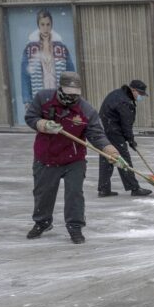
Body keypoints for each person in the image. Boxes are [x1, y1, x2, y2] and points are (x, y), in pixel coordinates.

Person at [24, 71, 118, 244]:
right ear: (60, 88)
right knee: (43, 192)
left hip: (74, 158)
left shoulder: (86, 110)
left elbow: (96, 134)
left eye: (75, 95)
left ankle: (75, 226)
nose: (71, 98)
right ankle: (42, 222)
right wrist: (42, 124)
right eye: (68, 94)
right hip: (46, 156)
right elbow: (30, 117)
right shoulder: (43, 98)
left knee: (74, 194)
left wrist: (108, 148)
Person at [97, 79, 152, 198]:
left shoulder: (118, 93)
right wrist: (131, 140)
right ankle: (134, 188)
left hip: (105, 130)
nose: (141, 97)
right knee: (123, 158)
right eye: (140, 94)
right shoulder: (125, 102)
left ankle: (103, 189)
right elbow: (126, 125)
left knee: (107, 157)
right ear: (133, 90)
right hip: (113, 131)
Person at [21, 9, 75, 104]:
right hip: (40, 95)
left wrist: (71, 94)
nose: (45, 28)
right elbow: (25, 75)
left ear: (51, 25)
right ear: (38, 25)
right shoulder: (30, 48)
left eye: (48, 24)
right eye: (42, 24)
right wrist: (27, 100)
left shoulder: (61, 47)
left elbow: (70, 73)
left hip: (58, 95)